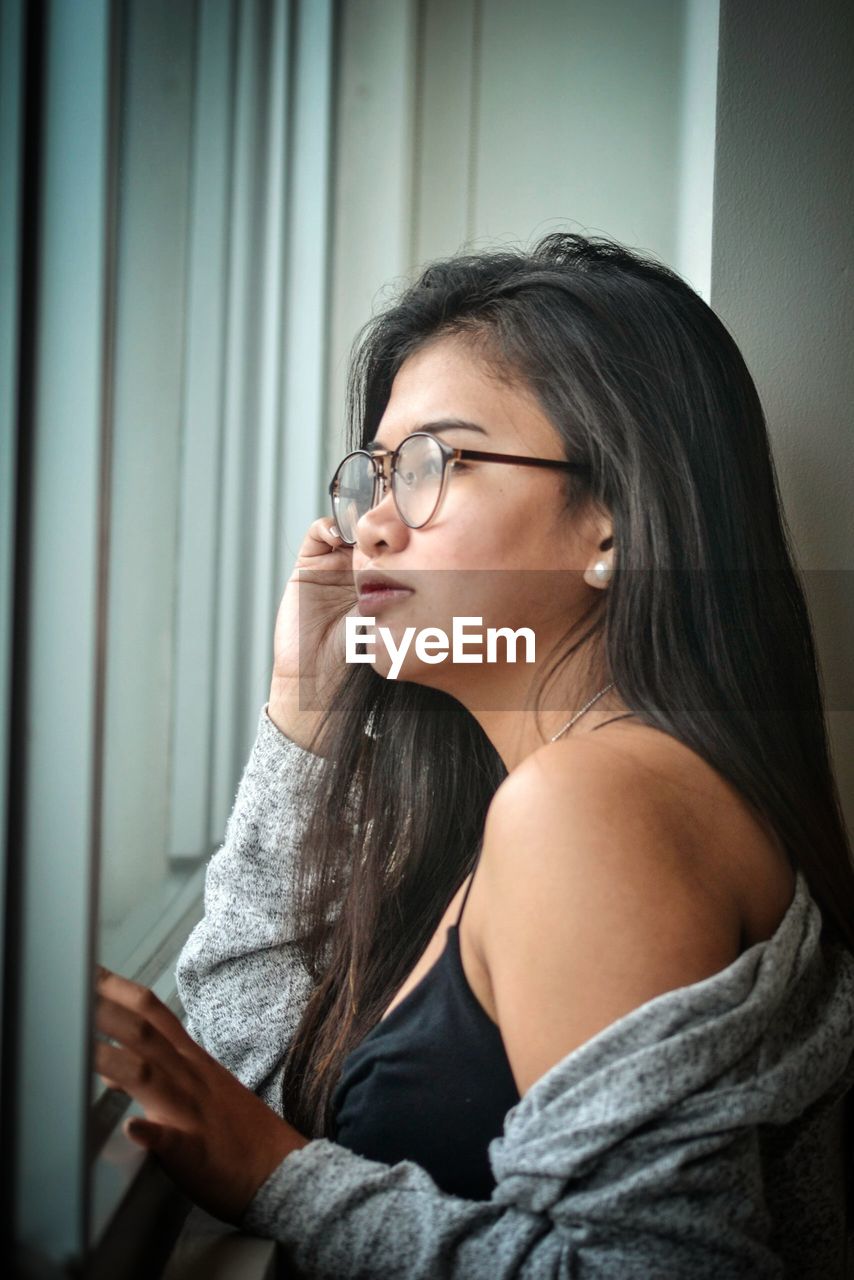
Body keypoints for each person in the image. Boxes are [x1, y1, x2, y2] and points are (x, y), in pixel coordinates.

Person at [94, 233, 854, 1277]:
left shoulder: (595, 805)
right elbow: (264, 1083)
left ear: (612, 523)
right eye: (371, 475)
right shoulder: (531, 800)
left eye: (431, 465)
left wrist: (279, 1177)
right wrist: (303, 715)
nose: (367, 528)